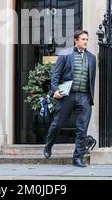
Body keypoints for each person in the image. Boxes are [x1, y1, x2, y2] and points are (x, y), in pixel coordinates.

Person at [43, 30, 96, 167]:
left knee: (82, 128)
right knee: (57, 124)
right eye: (83, 39)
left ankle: (78, 157)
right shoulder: (65, 55)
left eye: (87, 39)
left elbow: (91, 79)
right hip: (67, 95)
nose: (85, 42)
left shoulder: (91, 58)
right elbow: (55, 75)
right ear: (76, 40)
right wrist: (55, 91)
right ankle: (48, 146)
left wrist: (90, 97)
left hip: (84, 95)